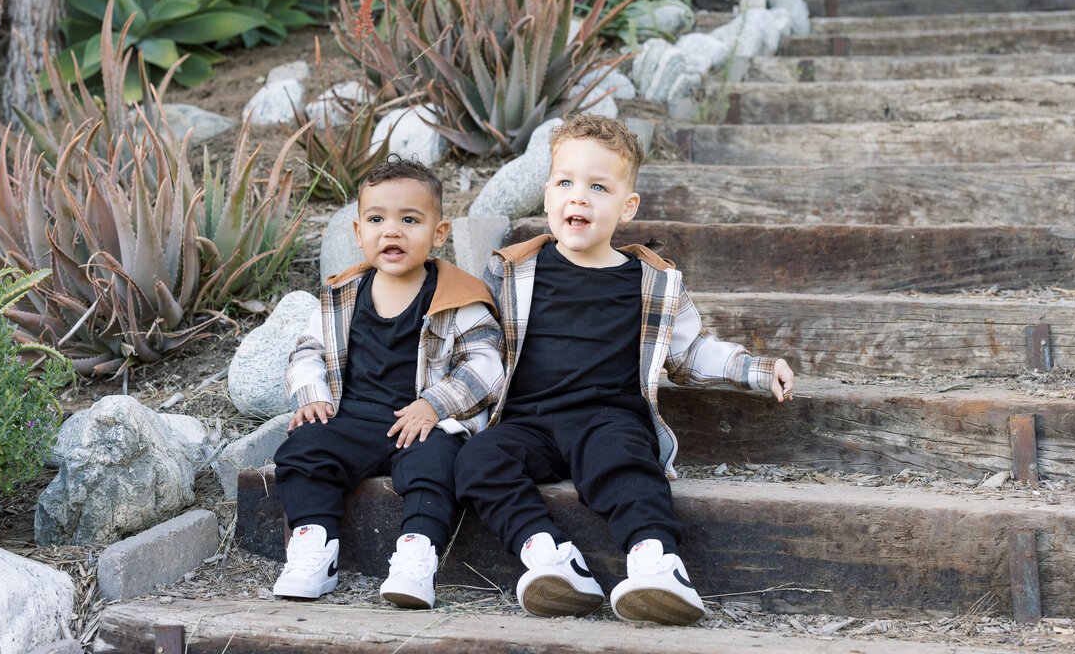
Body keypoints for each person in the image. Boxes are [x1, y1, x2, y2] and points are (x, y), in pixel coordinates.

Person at [455, 114, 796, 626]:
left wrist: (755, 369)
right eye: (566, 183)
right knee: (479, 459)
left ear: (626, 206)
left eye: (598, 187)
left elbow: (689, 352)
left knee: (627, 467)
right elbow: (474, 347)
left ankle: (656, 563)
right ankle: (548, 557)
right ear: (547, 194)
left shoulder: (650, 281)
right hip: (528, 423)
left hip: (607, 419)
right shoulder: (511, 270)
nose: (579, 198)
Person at [271, 155, 502, 610]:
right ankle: (314, 545)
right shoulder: (343, 295)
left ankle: (417, 553)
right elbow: (307, 351)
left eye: (409, 220)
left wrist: (435, 404)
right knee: (303, 449)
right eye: (376, 219)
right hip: (353, 420)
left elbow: (486, 363)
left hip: (419, 423)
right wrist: (313, 396)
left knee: (436, 464)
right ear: (358, 233)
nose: (391, 231)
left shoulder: (459, 298)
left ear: (439, 234)